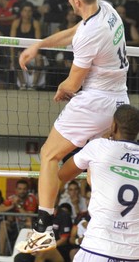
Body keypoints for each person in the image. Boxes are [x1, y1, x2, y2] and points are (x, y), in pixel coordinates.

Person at [18, 0, 130, 253]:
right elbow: (74, 31)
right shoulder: (107, 9)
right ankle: (106, 221)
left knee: (49, 154)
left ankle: (43, 228)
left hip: (95, 102)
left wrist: (62, 89)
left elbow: (73, 83)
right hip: (118, 100)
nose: (68, 2)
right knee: (79, 169)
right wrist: (39, 45)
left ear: (76, 0)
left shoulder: (91, 34)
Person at [58, 104, 139, 261]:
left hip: (97, 248)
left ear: (113, 126)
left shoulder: (98, 147)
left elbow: (63, 174)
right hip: (133, 253)